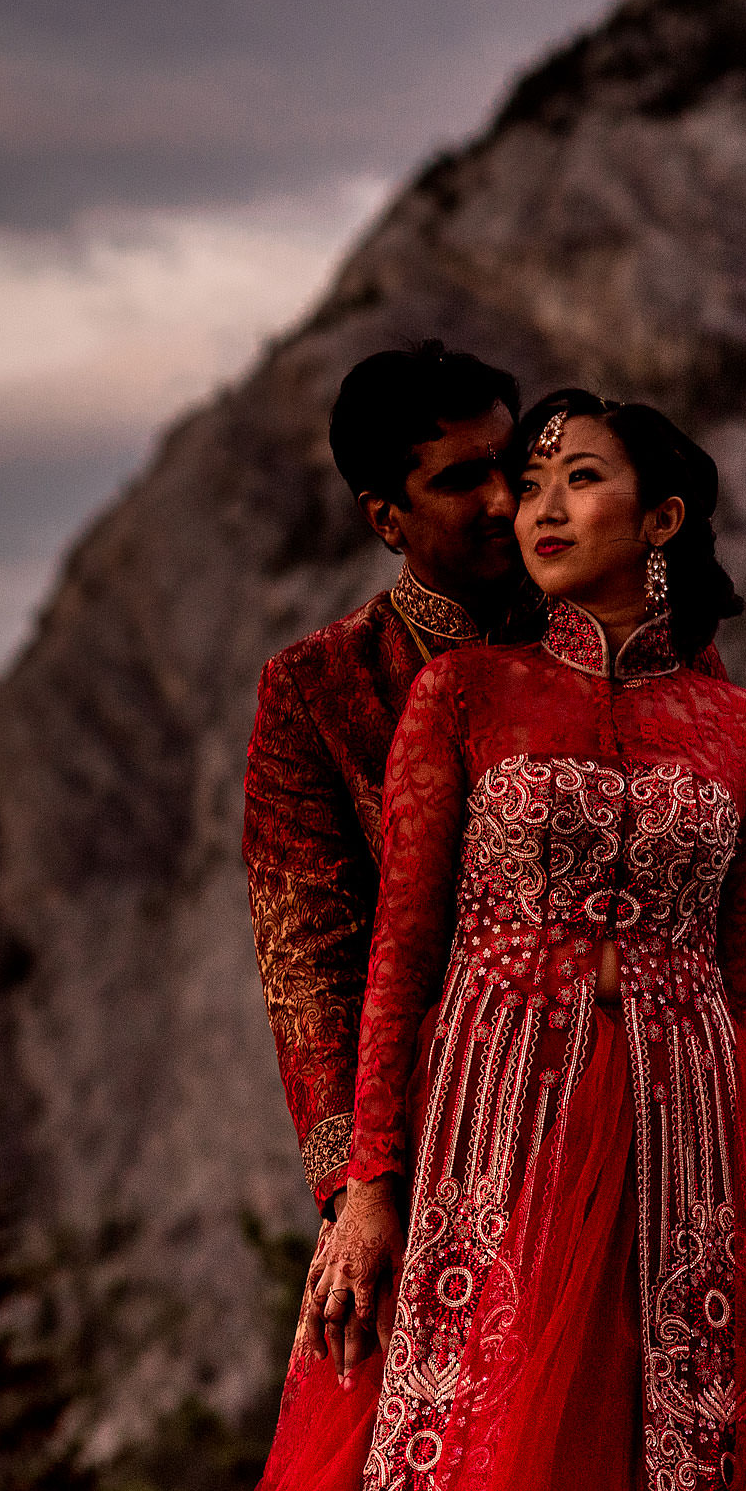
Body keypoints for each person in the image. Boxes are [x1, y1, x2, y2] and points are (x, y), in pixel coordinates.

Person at [244, 391, 746, 1491]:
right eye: (515, 480)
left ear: (660, 519)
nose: (529, 505)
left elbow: (744, 979)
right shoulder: (459, 693)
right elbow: (384, 953)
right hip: (500, 1107)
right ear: (382, 514)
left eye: (571, 479)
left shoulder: (742, 725)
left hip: (687, 1125)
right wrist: (363, 1182)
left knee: (669, 1460)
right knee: (473, 1453)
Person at [244, 342, 523, 1297]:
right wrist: (358, 1187)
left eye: (511, 463)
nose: (502, 500)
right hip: (435, 1129)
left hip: (630, 1094)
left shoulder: (616, 640)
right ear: (384, 518)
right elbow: (308, 959)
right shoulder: (316, 690)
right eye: (460, 480)